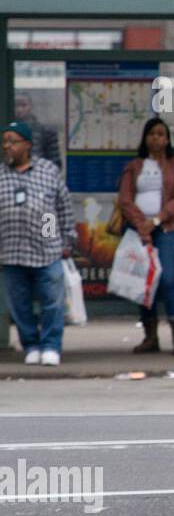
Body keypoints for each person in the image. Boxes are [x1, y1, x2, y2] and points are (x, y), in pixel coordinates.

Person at [0, 120, 74, 366]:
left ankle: (51, 345)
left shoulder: (47, 171)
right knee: (19, 303)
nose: (7, 146)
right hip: (11, 252)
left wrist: (64, 239)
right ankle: (30, 344)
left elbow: (60, 206)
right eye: (5, 142)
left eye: (13, 141)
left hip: (46, 249)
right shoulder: (2, 175)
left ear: (27, 145)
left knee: (52, 300)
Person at [116, 117, 174, 354]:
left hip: (166, 228)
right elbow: (125, 198)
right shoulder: (135, 166)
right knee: (143, 281)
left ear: (168, 139)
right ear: (145, 138)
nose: (156, 138)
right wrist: (142, 224)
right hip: (139, 230)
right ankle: (151, 337)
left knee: (168, 279)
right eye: (152, 134)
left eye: (161, 134)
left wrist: (157, 220)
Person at [13, 93, 62, 169]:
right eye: (16, 105)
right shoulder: (7, 129)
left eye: (23, 105)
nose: (19, 110)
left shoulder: (45, 130)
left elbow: (55, 162)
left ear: (31, 106)